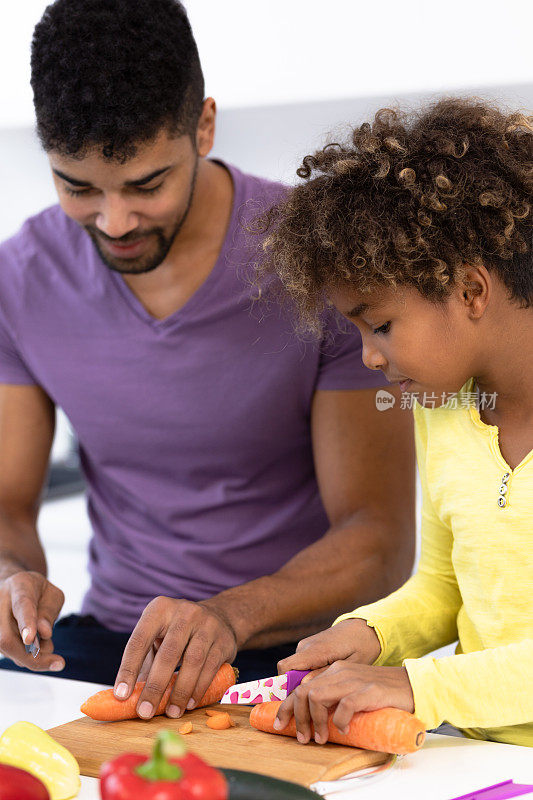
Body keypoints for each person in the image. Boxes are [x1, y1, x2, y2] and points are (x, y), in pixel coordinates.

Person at [0, 0, 415, 723]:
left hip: (293, 653)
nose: (115, 221)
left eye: (145, 184)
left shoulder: (317, 265)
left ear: (204, 126)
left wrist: (228, 614)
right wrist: (11, 576)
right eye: (77, 187)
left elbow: (377, 538)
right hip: (114, 645)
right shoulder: (21, 279)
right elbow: (7, 503)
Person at [258, 98, 533, 747]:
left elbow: (428, 684)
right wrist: (365, 636)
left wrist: (416, 686)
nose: (369, 356)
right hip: (478, 763)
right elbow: (443, 587)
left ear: (469, 290)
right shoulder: (442, 410)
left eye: (379, 324)